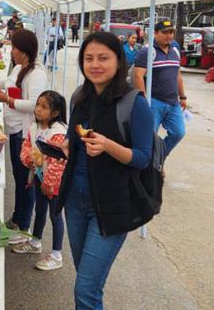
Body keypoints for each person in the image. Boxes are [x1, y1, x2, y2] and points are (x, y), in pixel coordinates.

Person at [58, 31, 154, 309]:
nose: (95, 65)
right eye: (89, 58)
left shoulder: (134, 103)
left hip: (111, 206)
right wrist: (66, 145)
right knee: (85, 279)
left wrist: (108, 146)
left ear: (119, 61)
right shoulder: (79, 98)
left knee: (85, 289)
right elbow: (73, 139)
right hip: (74, 202)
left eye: (103, 58)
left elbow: (143, 157)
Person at [0, 29, 47, 236]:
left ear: (24, 50)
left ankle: (23, 226)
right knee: (19, 177)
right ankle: (17, 218)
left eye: (14, 47)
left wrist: (8, 100)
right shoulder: (20, 68)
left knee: (26, 180)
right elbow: (6, 83)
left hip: (25, 132)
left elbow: (36, 105)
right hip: (14, 129)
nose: (11, 51)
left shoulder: (37, 74)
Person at [14, 90, 68, 271]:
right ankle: (35, 242)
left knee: (55, 215)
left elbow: (58, 163)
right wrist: (28, 159)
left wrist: (49, 184)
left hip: (54, 183)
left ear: (55, 113)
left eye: (44, 107)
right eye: (38, 104)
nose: (38, 109)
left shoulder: (58, 133)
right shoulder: (34, 127)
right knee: (40, 210)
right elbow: (26, 146)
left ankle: (56, 254)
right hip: (39, 176)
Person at [132, 20, 187, 156]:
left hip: (173, 103)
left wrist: (183, 96)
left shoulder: (175, 50)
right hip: (154, 102)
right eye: (165, 32)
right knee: (149, 137)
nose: (169, 36)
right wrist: (143, 100)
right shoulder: (147, 51)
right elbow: (137, 76)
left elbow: (178, 75)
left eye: (171, 32)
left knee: (178, 133)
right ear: (155, 33)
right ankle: (149, 164)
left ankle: (159, 158)